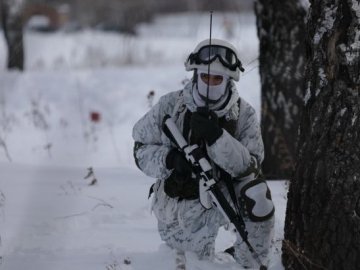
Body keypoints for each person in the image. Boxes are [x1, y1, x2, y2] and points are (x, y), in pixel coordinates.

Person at [132, 38, 275, 268]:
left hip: (223, 196)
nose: (210, 83)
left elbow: (252, 165)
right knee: (186, 263)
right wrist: (170, 159)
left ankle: (250, 263)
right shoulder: (171, 105)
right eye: (205, 76)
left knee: (257, 194)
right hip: (178, 202)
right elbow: (140, 149)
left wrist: (217, 138)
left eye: (217, 78)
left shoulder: (243, 115)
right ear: (195, 74)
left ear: (228, 79)